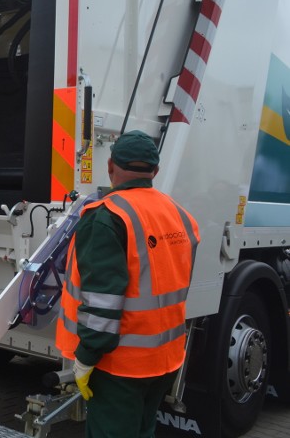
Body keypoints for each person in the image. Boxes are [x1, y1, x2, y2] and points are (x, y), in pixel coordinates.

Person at [55, 130, 200, 438]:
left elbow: (103, 302)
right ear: (155, 172)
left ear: (110, 167)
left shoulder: (106, 217)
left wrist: (84, 359)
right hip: (166, 359)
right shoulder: (181, 216)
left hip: (119, 366)